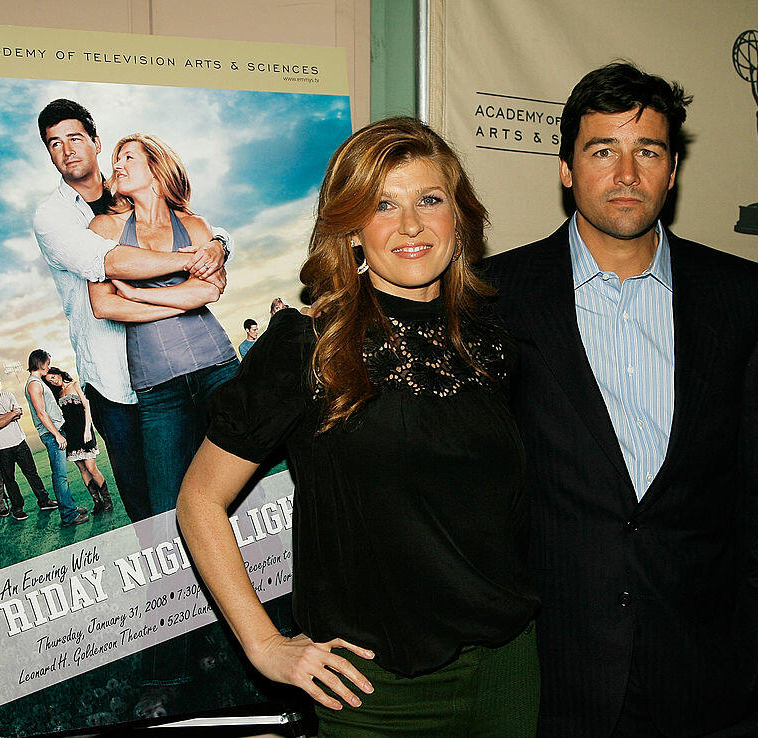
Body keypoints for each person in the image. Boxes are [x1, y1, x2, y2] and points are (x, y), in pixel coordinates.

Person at [177, 117, 540, 736]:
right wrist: (266, 646)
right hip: (373, 694)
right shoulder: (307, 345)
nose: (409, 226)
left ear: (460, 219)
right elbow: (200, 500)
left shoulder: (495, 340)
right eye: (382, 204)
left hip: (508, 670)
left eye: (430, 200)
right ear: (350, 228)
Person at [483, 62, 758, 737]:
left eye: (647, 151)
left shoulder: (742, 295)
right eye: (603, 150)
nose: (627, 173)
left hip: (714, 675)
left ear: (672, 169)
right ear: (567, 168)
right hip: (556, 677)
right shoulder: (493, 298)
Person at [33, 98, 232, 524]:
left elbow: (198, 231)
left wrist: (217, 244)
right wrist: (189, 265)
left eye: (75, 138)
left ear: (94, 142)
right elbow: (108, 264)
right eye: (54, 144)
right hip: (115, 381)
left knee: (216, 485)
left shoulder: (124, 190)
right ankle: (173, 591)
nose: (67, 150)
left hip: (180, 362)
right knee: (151, 507)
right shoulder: (52, 216)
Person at [87, 133, 240, 515]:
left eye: (128, 158)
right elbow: (103, 305)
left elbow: (207, 293)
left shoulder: (196, 225)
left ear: (155, 168)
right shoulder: (103, 230)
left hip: (217, 370)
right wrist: (182, 292)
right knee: (168, 509)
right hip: (157, 388)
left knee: (246, 490)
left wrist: (137, 294)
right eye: (116, 160)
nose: (116, 166)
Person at [0, 372, 59, 521]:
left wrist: (1, 417)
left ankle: (44, 501)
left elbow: (18, 413)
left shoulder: (8, 395)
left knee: (32, 473)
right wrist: (10, 415)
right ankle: (18, 508)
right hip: (2, 447)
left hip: (19, 442)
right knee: (10, 479)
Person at [25, 349, 88, 527]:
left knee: (62, 476)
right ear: (40, 362)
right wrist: (57, 434)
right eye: (47, 363)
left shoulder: (37, 382)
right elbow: (41, 413)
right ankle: (69, 516)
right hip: (52, 435)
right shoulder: (34, 384)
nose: (49, 366)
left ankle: (71, 508)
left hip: (55, 431)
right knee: (60, 476)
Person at [43, 367, 112, 515]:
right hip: (71, 434)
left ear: (58, 373)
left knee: (91, 467)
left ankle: (107, 500)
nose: (53, 381)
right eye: (50, 381)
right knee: (82, 469)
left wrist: (88, 429)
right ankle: (97, 502)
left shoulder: (74, 384)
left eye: (53, 377)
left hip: (84, 431)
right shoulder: (58, 394)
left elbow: (87, 407)